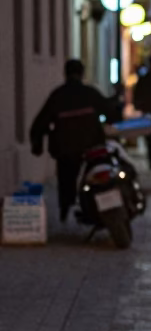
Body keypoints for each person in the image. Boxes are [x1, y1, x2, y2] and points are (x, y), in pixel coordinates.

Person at [30, 58, 113, 220]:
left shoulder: (58, 96)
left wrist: (37, 144)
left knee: (66, 180)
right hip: (92, 146)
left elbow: (40, 123)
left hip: (65, 149)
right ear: (82, 74)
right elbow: (110, 112)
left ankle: (65, 210)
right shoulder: (90, 93)